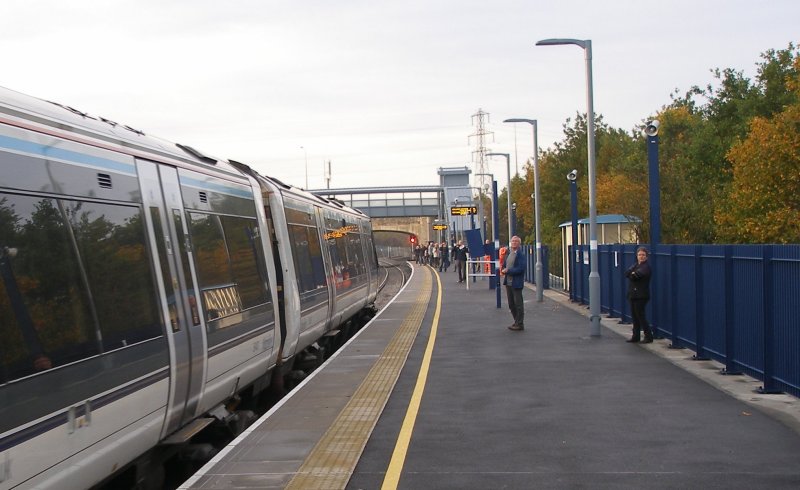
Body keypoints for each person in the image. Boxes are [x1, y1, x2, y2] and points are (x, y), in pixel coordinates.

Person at [625, 246, 653, 343]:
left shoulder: (646, 267)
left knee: (640, 316)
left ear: (646, 256)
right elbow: (627, 273)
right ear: (637, 256)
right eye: (639, 255)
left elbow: (635, 276)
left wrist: (633, 274)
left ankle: (648, 336)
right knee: (634, 316)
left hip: (641, 295)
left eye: (643, 255)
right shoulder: (635, 265)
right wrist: (632, 273)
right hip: (633, 294)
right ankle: (636, 336)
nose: (641, 257)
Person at [502, 235, 527, 331]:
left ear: (519, 243)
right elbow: (506, 264)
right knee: (511, 304)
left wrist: (508, 271)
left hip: (516, 283)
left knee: (518, 304)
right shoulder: (509, 253)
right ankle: (516, 321)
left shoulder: (520, 255)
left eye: (516, 241)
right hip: (508, 283)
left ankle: (520, 323)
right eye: (512, 241)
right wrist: (503, 269)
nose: (514, 243)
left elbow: (521, 268)